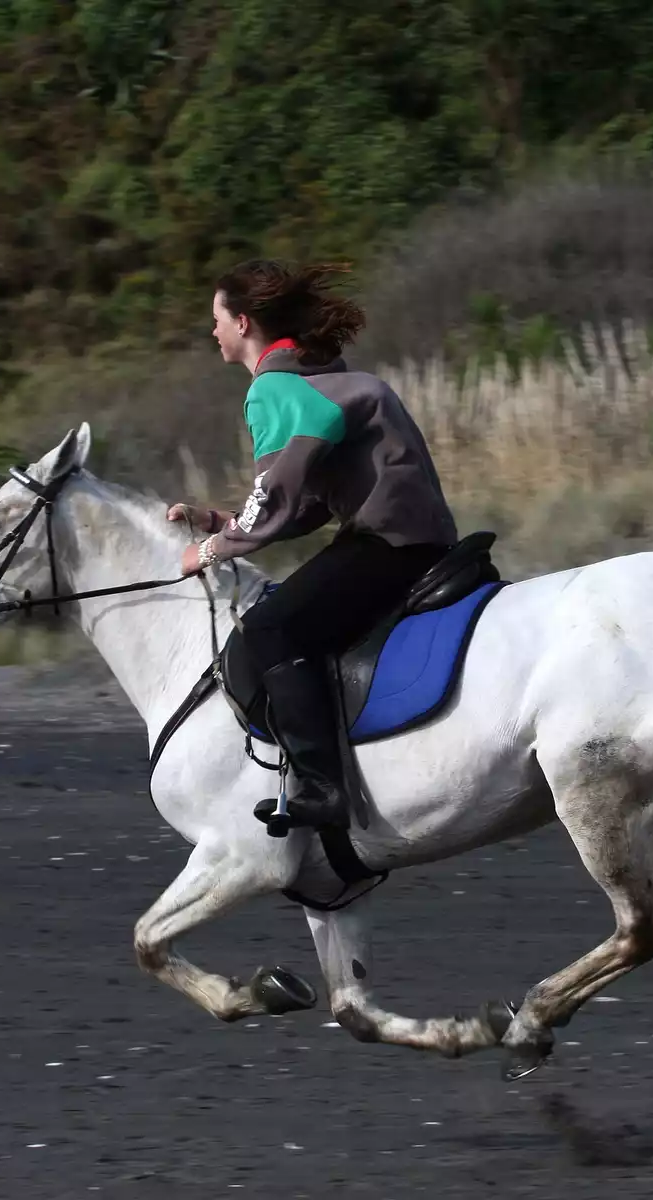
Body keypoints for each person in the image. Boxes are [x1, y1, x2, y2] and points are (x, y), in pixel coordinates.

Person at [167, 260, 458, 833]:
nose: (213, 332)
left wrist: (209, 550)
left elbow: (275, 492)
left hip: (388, 543)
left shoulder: (274, 388)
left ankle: (326, 790)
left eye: (217, 320)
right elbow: (300, 506)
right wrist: (218, 519)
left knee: (271, 628)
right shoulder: (319, 378)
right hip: (412, 537)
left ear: (243, 323)